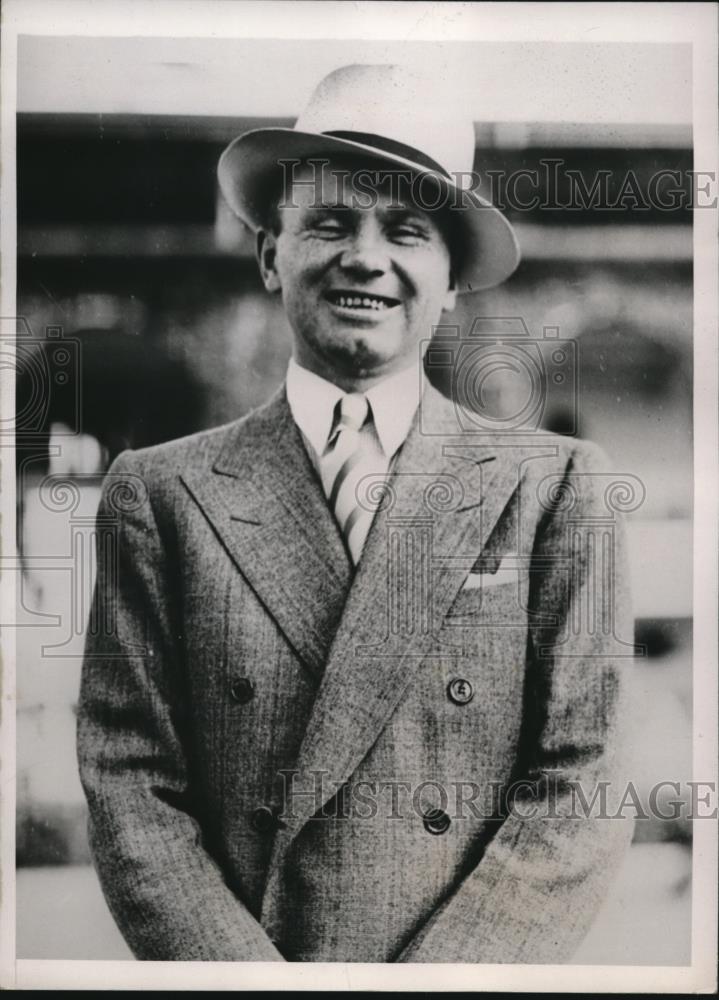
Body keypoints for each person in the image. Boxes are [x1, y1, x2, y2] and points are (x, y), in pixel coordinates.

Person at [76, 64, 635, 964]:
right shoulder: (161, 495)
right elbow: (129, 782)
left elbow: (581, 779)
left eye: (407, 231)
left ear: (450, 279)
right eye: (329, 223)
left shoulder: (552, 488)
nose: (365, 257)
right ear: (269, 254)